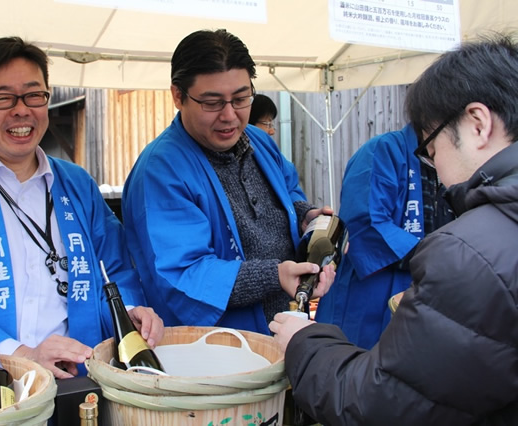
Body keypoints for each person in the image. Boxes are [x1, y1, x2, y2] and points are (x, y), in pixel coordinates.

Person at [269, 34, 518, 425]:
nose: (440, 171)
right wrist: (432, 257)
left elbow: (379, 404)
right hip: (373, 292)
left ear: (478, 123)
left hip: (437, 297)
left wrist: (445, 261)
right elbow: (366, 222)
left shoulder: (470, 254)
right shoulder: (380, 152)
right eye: (429, 153)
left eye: (435, 150)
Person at [0, 36, 164, 379]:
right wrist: (22, 356)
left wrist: (130, 311)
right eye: (2, 98)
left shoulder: (78, 185)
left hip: (85, 377)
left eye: (33, 95)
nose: (21, 110)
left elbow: (113, 267)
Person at [121, 29, 335, 335]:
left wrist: (305, 216)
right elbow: (184, 272)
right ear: (178, 96)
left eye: (241, 98)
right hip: (215, 347)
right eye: (212, 103)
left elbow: (289, 192)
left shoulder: (259, 141)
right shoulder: (162, 169)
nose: (230, 116)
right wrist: (274, 276)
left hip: (282, 327)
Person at [315, 124, 454, 349]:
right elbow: (366, 223)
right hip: (370, 299)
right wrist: (442, 257)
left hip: (429, 296)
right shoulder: (383, 150)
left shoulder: (459, 159)